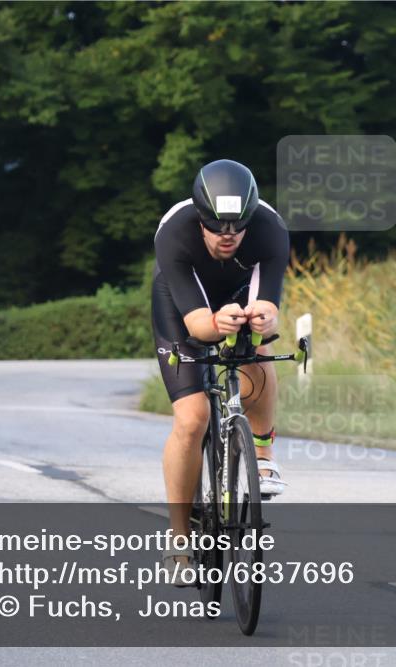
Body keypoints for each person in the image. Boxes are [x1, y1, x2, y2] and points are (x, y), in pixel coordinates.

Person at [152, 159, 290, 581]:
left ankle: (263, 457)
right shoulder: (175, 231)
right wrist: (215, 323)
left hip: (238, 298)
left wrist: (264, 320)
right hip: (184, 310)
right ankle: (178, 544)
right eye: (217, 228)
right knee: (193, 419)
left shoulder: (270, 229)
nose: (227, 237)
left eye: (237, 227)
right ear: (200, 217)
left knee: (260, 350)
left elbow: (269, 304)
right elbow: (196, 325)